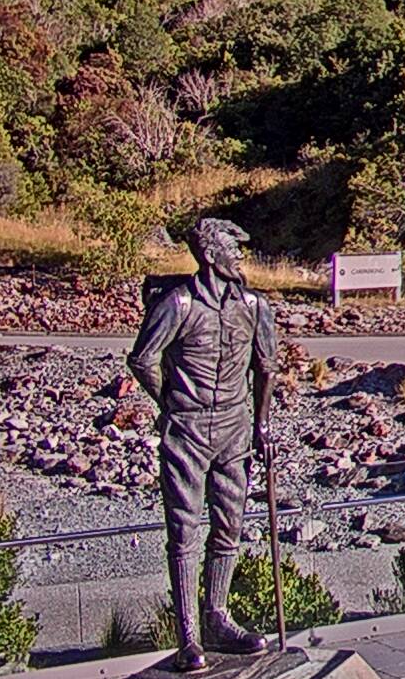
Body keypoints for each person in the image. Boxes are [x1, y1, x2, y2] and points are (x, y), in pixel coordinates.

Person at [128, 219, 277, 670]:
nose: (241, 256)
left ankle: (217, 617)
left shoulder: (252, 305)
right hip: (188, 430)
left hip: (235, 427)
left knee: (230, 525)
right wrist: (172, 402)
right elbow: (143, 360)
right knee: (184, 530)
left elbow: (266, 367)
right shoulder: (178, 303)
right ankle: (189, 636)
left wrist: (263, 425)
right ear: (210, 255)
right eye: (234, 248)